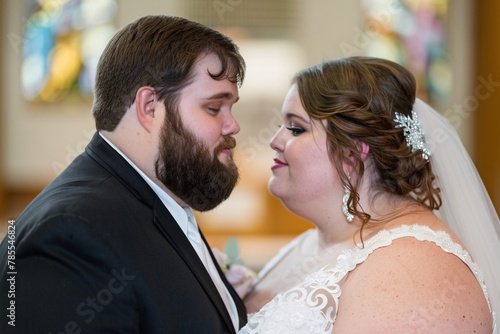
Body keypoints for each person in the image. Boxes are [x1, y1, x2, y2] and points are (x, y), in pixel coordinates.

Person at [0, 15, 247, 333]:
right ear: (150, 106)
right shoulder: (71, 234)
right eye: (214, 108)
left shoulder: (155, 196)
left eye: (231, 108)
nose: (233, 125)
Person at [240, 57, 499, 333]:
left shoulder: (413, 272)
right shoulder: (312, 241)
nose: (275, 141)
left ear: (353, 151)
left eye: (296, 128)